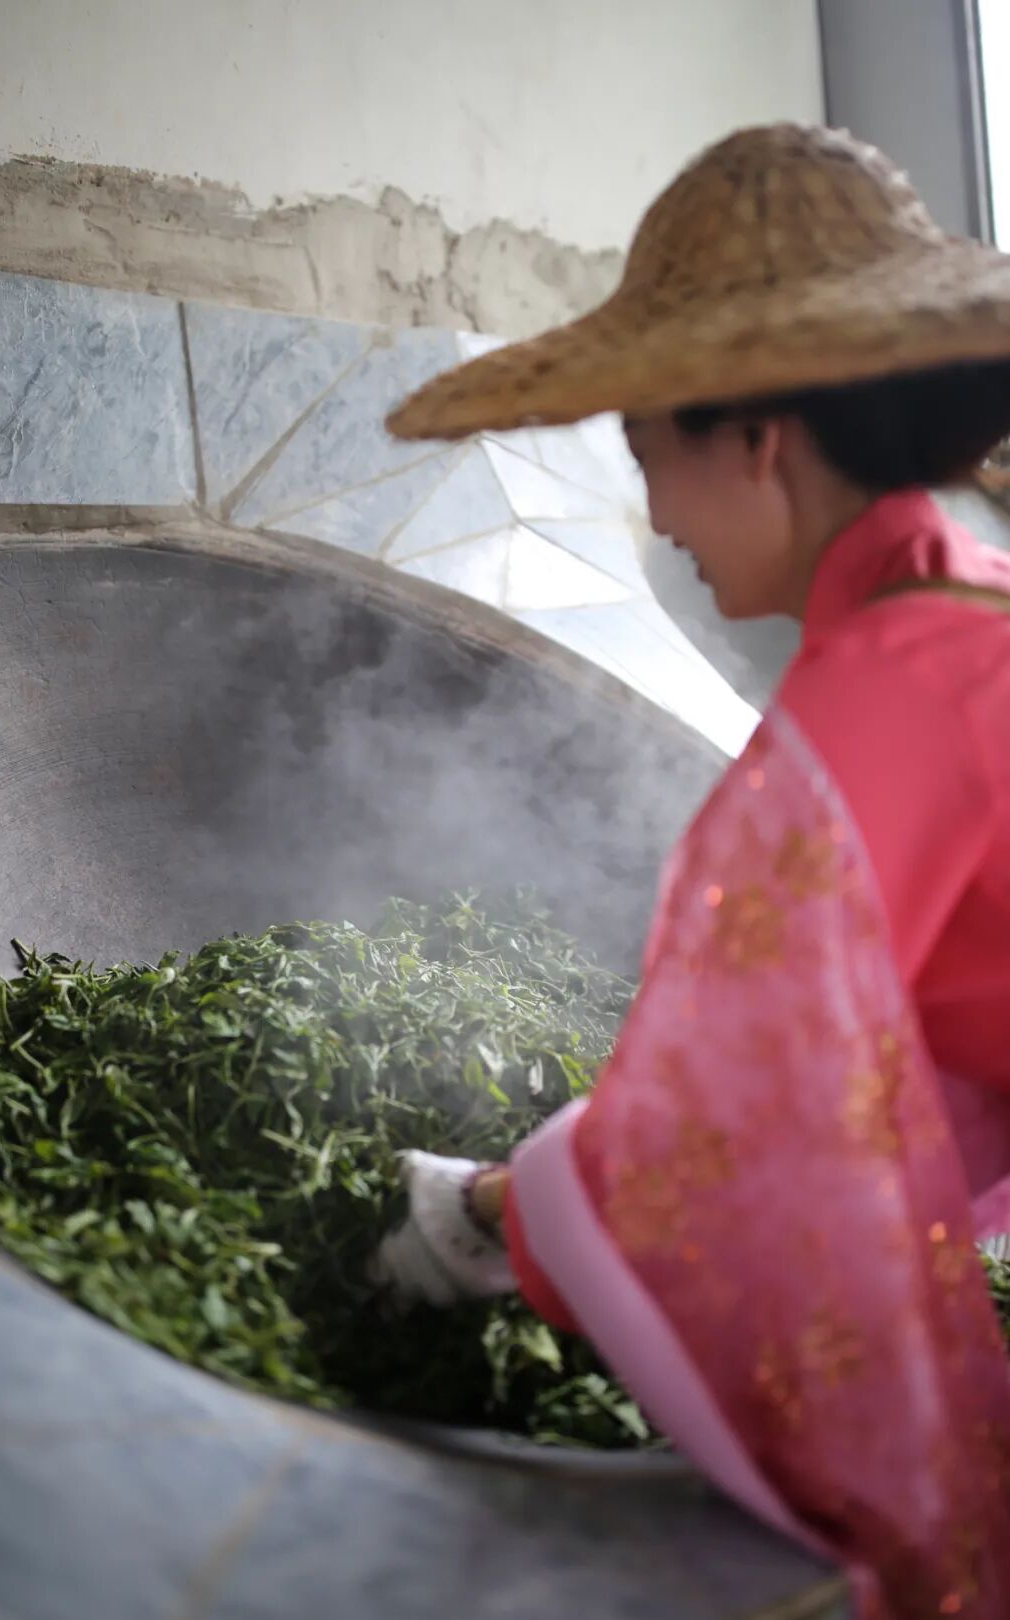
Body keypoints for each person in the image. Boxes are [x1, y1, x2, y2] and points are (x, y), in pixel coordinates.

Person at [374, 125, 1010, 1619]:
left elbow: (721, 1126)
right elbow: (929, 1061)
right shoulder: (971, 606)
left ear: (757, 440)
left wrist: (495, 1218)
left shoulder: (874, 709)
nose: (655, 513)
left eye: (648, 449)